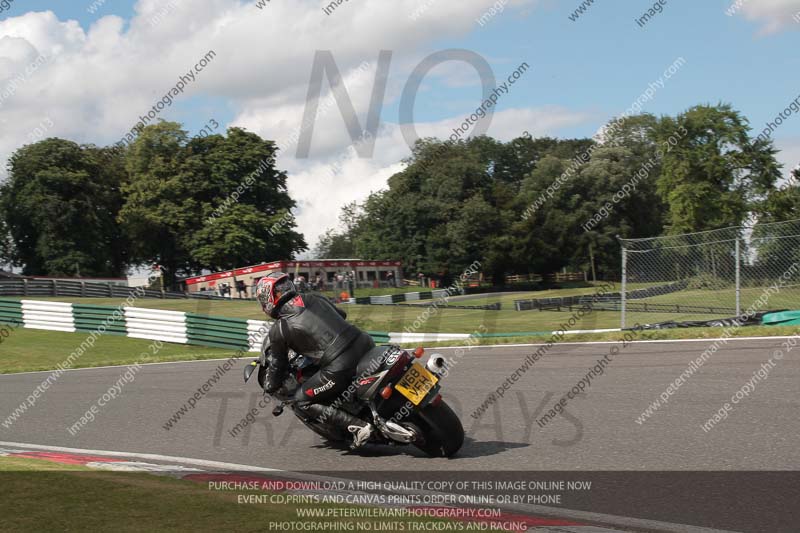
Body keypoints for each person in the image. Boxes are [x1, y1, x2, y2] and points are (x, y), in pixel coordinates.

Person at [255, 272, 376, 448]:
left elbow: (278, 364)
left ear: (268, 298)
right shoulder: (314, 297)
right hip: (364, 342)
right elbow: (341, 315)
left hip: (340, 365)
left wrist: (270, 386)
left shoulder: (279, 329)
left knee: (301, 400)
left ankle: (359, 427)